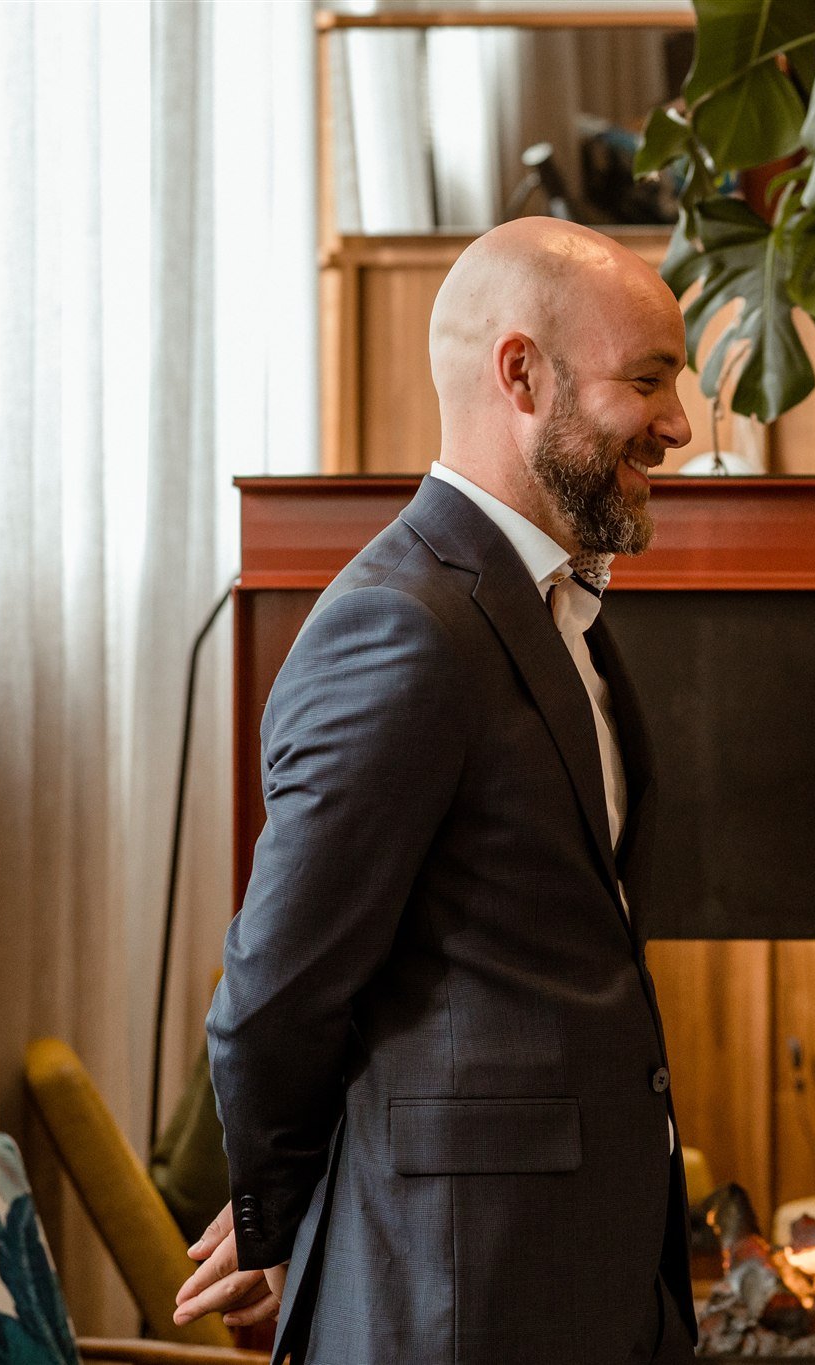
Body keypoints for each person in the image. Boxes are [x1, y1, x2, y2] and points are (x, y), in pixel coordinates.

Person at [172, 218, 698, 1364]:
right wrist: (278, 1212)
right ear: (522, 376)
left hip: (590, 1271)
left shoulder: (560, 611)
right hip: (460, 1290)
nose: (680, 424)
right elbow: (277, 984)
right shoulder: (395, 626)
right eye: (647, 380)